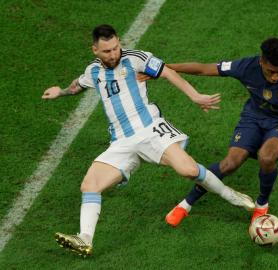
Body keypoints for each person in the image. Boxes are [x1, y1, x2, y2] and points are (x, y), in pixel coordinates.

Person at [42, 24, 254, 257]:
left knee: (189, 170)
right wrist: (60, 92)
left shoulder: (136, 58)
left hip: (150, 130)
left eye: (115, 48)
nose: (113, 54)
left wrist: (195, 96)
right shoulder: (93, 71)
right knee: (89, 185)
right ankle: (84, 239)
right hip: (121, 141)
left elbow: (168, 72)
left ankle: (231, 196)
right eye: (106, 51)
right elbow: (77, 86)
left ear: (119, 42)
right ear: (95, 50)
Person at [155, 37, 278, 227]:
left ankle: (261, 206)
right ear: (261, 61)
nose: (275, 76)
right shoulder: (246, 66)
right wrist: (165, 69)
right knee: (230, 163)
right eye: (271, 71)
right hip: (252, 118)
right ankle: (186, 204)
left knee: (266, 157)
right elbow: (204, 68)